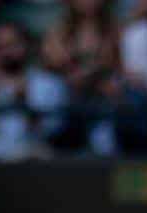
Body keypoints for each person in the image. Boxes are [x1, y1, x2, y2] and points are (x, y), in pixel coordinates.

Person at [0, 23, 69, 160]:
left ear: (27, 46)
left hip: (27, 165)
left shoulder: (48, 84)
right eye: (0, 47)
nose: (7, 52)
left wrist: (24, 101)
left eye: (13, 45)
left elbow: (48, 133)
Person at [42, 0, 123, 153]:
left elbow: (113, 62)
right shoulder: (59, 30)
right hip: (68, 97)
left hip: (102, 97)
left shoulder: (113, 29)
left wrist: (89, 74)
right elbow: (54, 59)